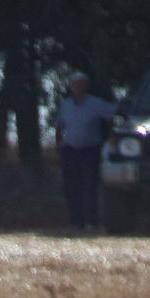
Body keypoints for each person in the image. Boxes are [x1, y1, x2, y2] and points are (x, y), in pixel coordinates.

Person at [54, 73, 115, 232]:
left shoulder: (96, 104)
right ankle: (76, 222)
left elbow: (113, 117)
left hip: (90, 150)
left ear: (86, 86)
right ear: (71, 86)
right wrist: (58, 147)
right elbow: (59, 126)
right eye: (75, 85)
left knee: (89, 186)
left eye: (81, 84)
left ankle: (90, 222)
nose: (78, 88)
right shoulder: (65, 105)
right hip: (70, 150)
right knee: (72, 187)